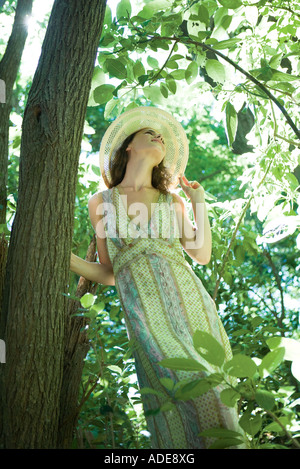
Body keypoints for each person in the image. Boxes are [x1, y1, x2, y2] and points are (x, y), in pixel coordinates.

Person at [70, 106, 247, 449]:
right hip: (146, 317)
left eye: (161, 136)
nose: (158, 136)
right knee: (176, 397)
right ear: (128, 147)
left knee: (214, 388)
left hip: (191, 307)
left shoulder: (172, 200)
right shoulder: (102, 202)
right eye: (148, 132)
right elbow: (111, 271)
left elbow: (201, 254)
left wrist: (199, 203)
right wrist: (69, 261)